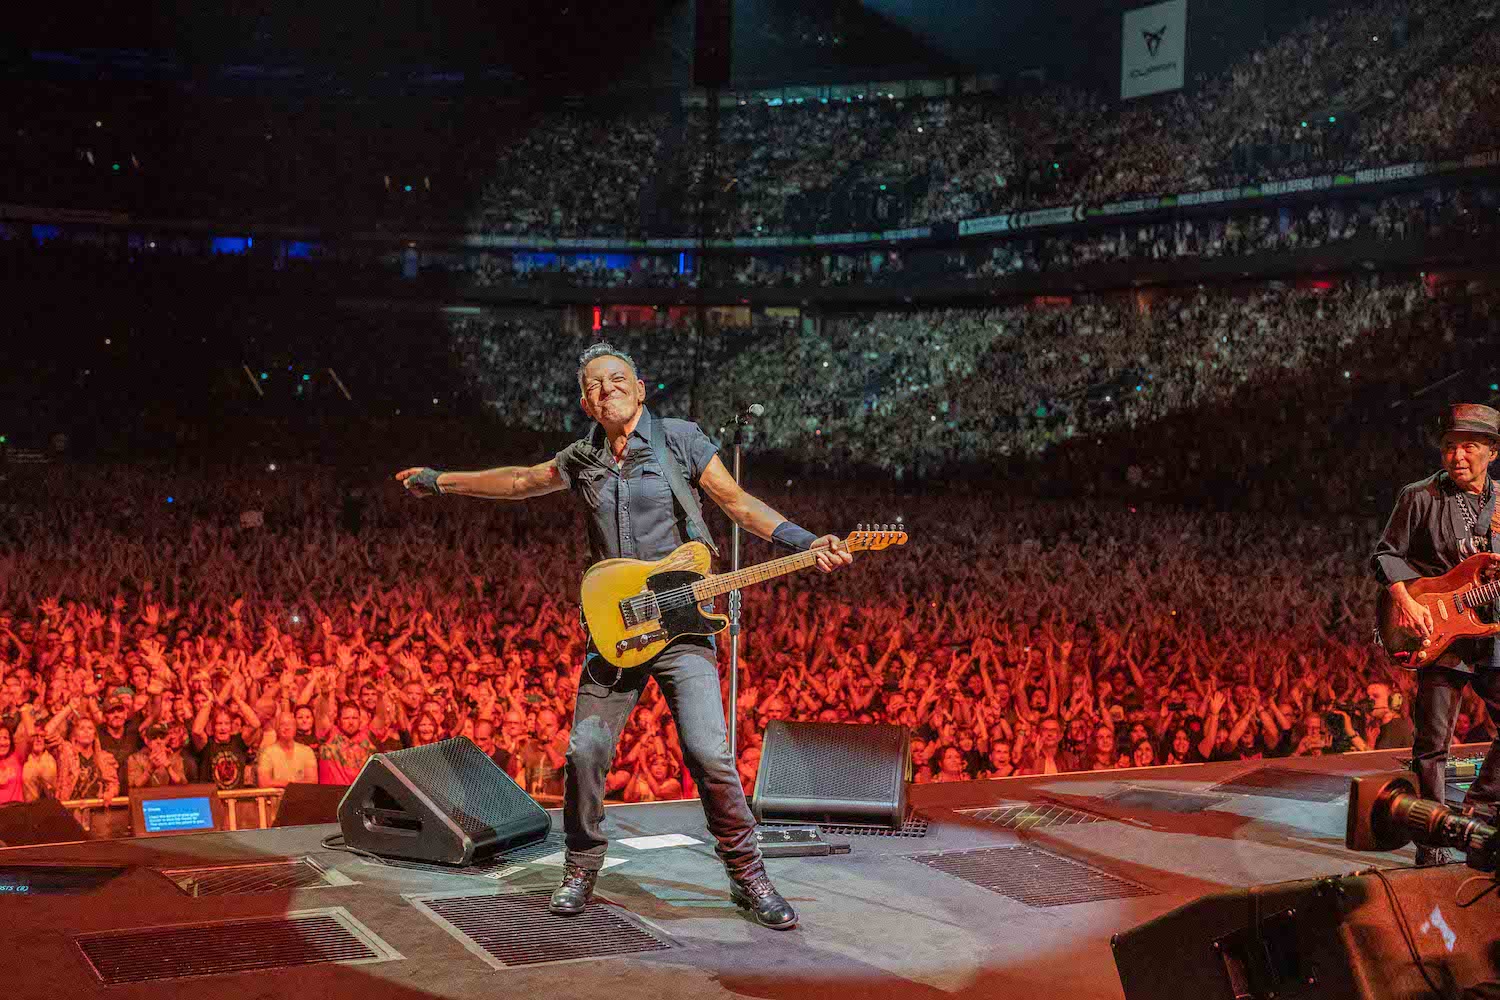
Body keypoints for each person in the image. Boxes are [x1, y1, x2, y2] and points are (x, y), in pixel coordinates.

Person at [396, 341, 852, 930]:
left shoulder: (680, 439)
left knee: (709, 753)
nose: (606, 388)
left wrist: (803, 540)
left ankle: (748, 874)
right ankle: (581, 867)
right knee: (584, 750)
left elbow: (737, 504)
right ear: (586, 403)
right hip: (616, 630)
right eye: (594, 384)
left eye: (617, 378)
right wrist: (439, 480)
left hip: (683, 627)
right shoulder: (582, 457)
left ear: (641, 388)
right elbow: (517, 482)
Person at [1373, 403, 1500, 866]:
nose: (1457, 454)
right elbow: (1386, 555)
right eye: (1449, 446)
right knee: (1432, 744)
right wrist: (1406, 601)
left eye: (1468, 445)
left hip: (1490, 632)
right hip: (1438, 630)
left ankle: (1477, 808)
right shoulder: (1419, 495)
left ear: (1492, 451)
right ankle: (1430, 838)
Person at [258, 711, 319, 787]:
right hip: (278, 798)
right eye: (283, 724)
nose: (287, 727)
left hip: (302, 798)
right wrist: (292, 785)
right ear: (277, 728)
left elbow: (312, 781)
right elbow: (264, 783)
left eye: (290, 724)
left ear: (295, 728)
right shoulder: (268, 753)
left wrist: (284, 784)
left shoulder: (307, 751)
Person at [126, 723, 188, 788]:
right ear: (146, 740)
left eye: (162, 737)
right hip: (146, 797)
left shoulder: (174, 758)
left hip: (167, 796)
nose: (158, 741)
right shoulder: (135, 759)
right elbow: (134, 786)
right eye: (154, 738)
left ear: (166, 740)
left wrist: (169, 768)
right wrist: (150, 769)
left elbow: (183, 784)